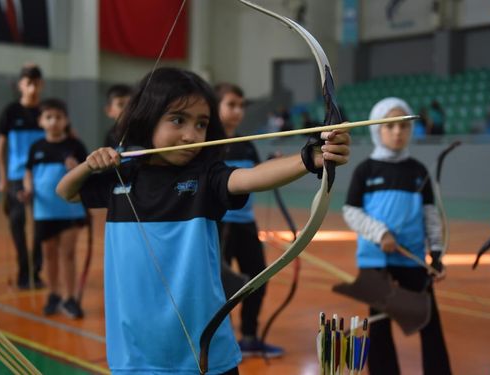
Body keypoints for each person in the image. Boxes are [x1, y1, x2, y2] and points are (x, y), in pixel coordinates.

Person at [56, 67, 350, 374]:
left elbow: (250, 177)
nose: (191, 135)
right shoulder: (121, 176)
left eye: (201, 124)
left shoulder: (205, 177)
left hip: (207, 356)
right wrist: (90, 166)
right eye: (178, 120)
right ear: (147, 116)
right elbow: (66, 191)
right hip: (136, 356)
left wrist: (310, 158)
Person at [342, 97, 451, 375]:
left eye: (403, 125)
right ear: (377, 129)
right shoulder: (365, 170)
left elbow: (430, 216)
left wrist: (436, 254)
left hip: (412, 260)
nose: (397, 132)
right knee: (378, 329)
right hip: (375, 261)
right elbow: (351, 212)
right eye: (389, 125)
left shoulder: (418, 171)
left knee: (429, 323)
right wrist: (381, 234)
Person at [213, 82, 284, 358]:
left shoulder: (245, 146)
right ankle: (222, 338)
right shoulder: (209, 144)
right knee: (222, 283)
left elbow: (255, 176)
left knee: (258, 277)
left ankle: (250, 336)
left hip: (246, 223)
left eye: (241, 105)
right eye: (231, 104)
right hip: (220, 224)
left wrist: (271, 164)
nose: (237, 111)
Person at [20, 98, 88, 318]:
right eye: (49, 117)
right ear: (41, 121)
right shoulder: (36, 148)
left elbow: (88, 173)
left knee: (67, 254)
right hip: (44, 212)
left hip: (70, 211)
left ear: (66, 120)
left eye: (58, 117)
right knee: (49, 256)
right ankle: (54, 294)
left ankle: (70, 298)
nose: (54, 121)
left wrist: (76, 167)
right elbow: (28, 174)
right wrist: (28, 189)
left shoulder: (75, 146)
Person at [0, 64, 45, 290]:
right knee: (17, 222)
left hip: (41, 177)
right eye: (28, 83)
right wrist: (3, 178)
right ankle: (24, 272)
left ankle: (36, 272)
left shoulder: (47, 113)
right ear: (20, 86)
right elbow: (0, 147)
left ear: (41, 85)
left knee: (41, 225)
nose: (32, 87)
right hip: (16, 177)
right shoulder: (10, 112)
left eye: (36, 83)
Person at [103, 84, 133, 148]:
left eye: (130, 104)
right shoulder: (110, 136)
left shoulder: (141, 132)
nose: (127, 108)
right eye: (121, 104)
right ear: (109, 110)